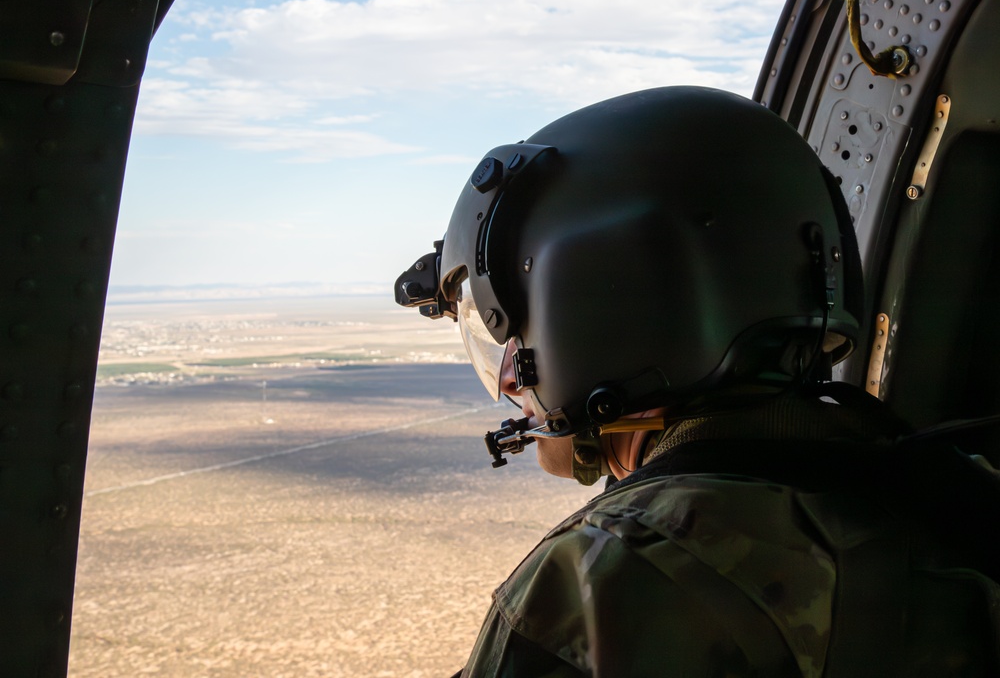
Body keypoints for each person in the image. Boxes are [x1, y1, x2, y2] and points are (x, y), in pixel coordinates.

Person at [395, 86, 1000, 676]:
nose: (507, 381)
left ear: (589, 306)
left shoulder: (605, 584)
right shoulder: (957, 495)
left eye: (509, 339)